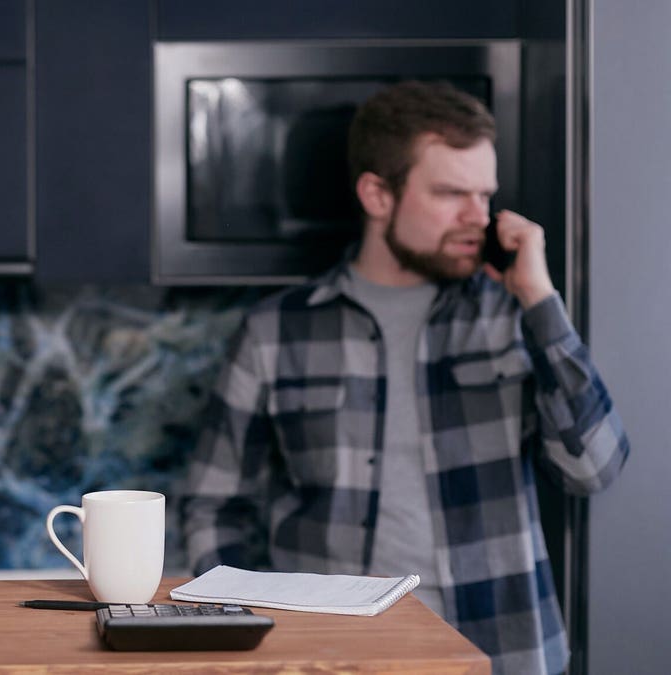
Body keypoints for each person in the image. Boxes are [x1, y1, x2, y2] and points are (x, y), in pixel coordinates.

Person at [181, 81, 628, 674]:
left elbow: (592, 466)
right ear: (377, 194)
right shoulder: (275, 333)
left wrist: (539, 298)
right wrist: (245, 640)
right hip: (330, 660)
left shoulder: (513, 317)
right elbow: (212, 506)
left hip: (502, 654)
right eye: (450, 193)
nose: (479, 216)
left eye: (484, 194)